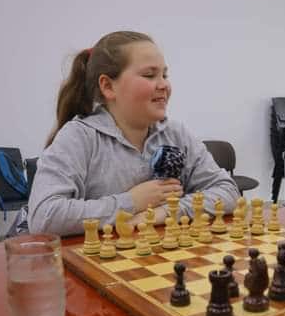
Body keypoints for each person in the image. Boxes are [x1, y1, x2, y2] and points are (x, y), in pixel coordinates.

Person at [28, 31, 240, 236]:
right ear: (108, 86)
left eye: (164, 75)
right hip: (99, 265)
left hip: (163, 261)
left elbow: (227, 190)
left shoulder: (176, 133)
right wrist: (132, 202)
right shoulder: (79, 137)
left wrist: (167, 212)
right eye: (149, 75)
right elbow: (43, 216)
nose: (164, 84)